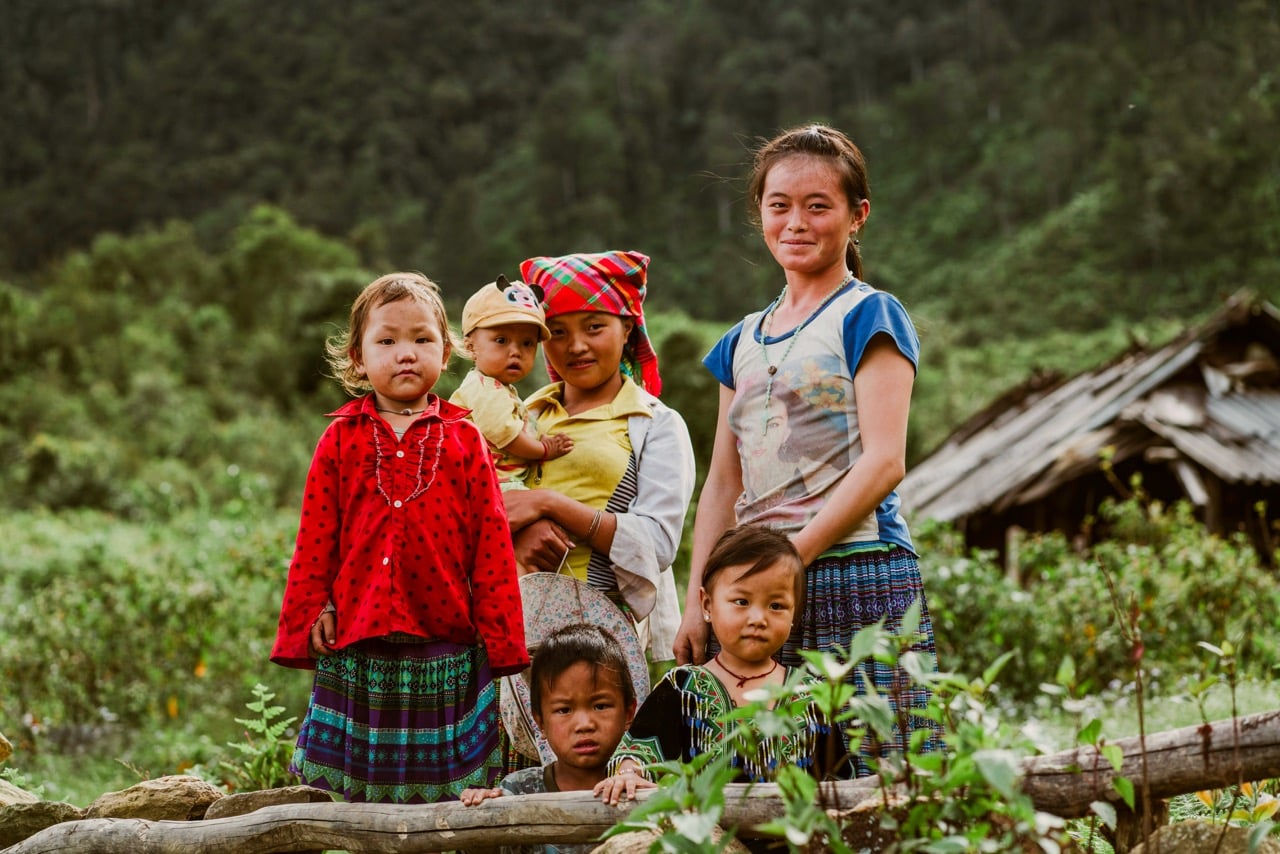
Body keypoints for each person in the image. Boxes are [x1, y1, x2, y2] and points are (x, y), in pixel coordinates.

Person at [671, 124, 941, 772]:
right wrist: (698, 596)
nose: (796, 222)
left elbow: (885, 461)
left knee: (883, 774)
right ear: (759, 213)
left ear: (857, 217)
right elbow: (722, 484)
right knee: (776, 782)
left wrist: (790, 558)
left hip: (858, 570)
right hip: (762, 591)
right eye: (779, 205)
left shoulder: (869, 314)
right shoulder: (740, 340)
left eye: (818, 205)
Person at [270, 271, 529, 803]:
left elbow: (492, 547)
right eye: (387, 341)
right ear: (359, 359)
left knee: (446, 799)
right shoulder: (339, 439)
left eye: (421, 339)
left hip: (447, 638)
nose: (405, 353)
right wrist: (313, 607)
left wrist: (501, 640)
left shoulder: (465, 440)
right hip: (359, 637)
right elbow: (316, 536)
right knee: (351, 800)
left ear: (447, 351)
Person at [505, 250, 694, 663]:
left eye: (594, 327)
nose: (576, 347)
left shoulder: (655, 425)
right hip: (508, 633)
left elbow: (658, 544)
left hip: (603, 637)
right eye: (556, 332)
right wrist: (516, 536)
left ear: (627, 327)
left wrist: (547, 504)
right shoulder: (517, 420)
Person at [594, 525, 848, 805]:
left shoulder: (811, 696)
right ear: (707, 605)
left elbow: (838, 780)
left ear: (794, 614)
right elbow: (642, 748)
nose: (758, 618)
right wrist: (629, 773)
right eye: (742, 601)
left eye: (776, 606)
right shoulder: (683, 687)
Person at [461, 623, 639, 854]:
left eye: (600, 705)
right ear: (540, 722)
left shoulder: (637, 786)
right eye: (564, 710)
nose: (584, 724)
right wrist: (478, 812)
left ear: (628, 712)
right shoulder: (519, 790)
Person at [450, 275, 573, 490]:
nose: (516, 351)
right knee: (542, 520)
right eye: (501, 340)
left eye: (527, 343)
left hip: (501, 481)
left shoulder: (500, 389)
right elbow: (509, 437)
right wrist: (545, 449)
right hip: (488, 484)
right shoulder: (482, 389)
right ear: (470, 347)